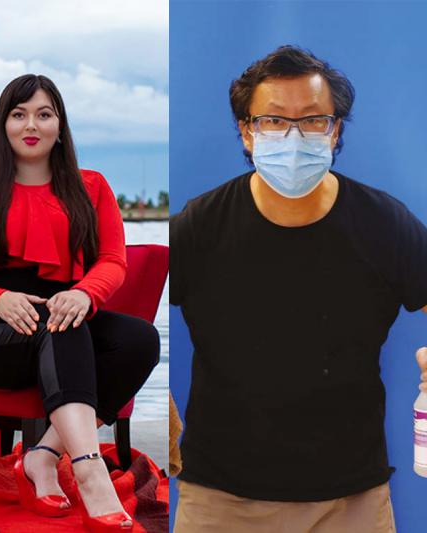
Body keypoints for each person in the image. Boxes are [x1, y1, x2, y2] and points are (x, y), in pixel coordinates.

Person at [171, 45, 427, 532]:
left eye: (313, 120)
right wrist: (160, 402)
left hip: (352, 499)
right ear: (247, 132)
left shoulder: (384, 223)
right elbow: (136, 298)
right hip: (221, 499)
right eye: (272, 121)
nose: (293, 136)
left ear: (335, 130)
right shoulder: (200, 225)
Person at [0, 74, 159, 532]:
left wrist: (85, 292)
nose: (32, 124)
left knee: (139, 339)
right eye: (19, 114)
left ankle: (43, 456)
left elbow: (112, 261)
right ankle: (89, 470)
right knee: (62, 326)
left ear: (60, 125)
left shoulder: (92, 188)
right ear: (3, 124)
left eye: (44, 114)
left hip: (60, 314)